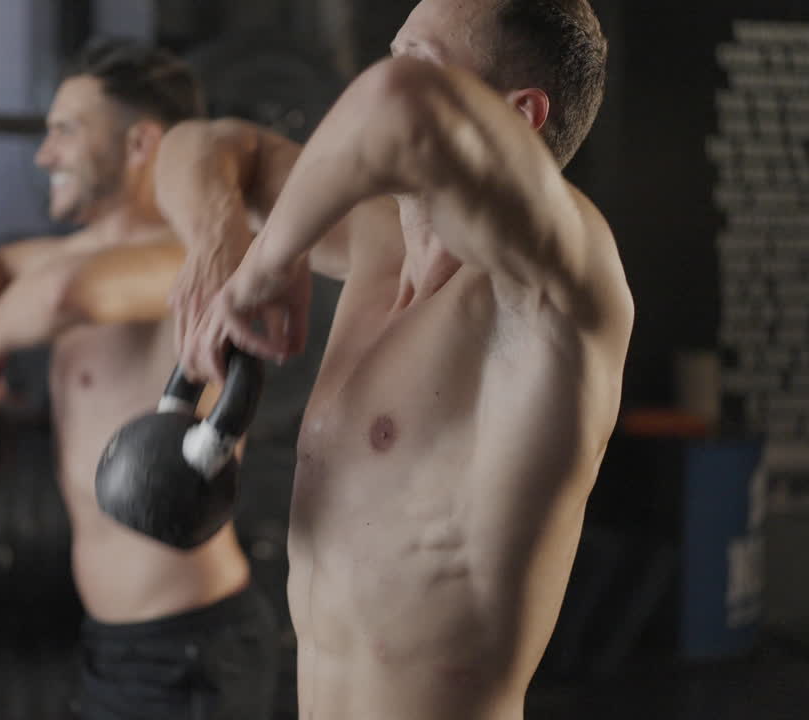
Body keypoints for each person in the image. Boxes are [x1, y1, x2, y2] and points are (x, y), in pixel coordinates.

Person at [157, 1, 633, 718]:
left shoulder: (556, 288)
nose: (381, 76)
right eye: (395, 50)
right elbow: (198, 144)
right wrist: (219, 239)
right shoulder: (376, 239)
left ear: (519, 116)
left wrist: (265, 265)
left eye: (420, 58)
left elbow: (396, 102)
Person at [0, 38, 278, 720]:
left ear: (140, 143)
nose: (45, 155)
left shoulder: (197, 256)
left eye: (65, 131)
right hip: (112, 643)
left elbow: (68, 294)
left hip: (191, 648)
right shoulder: (76, 252)